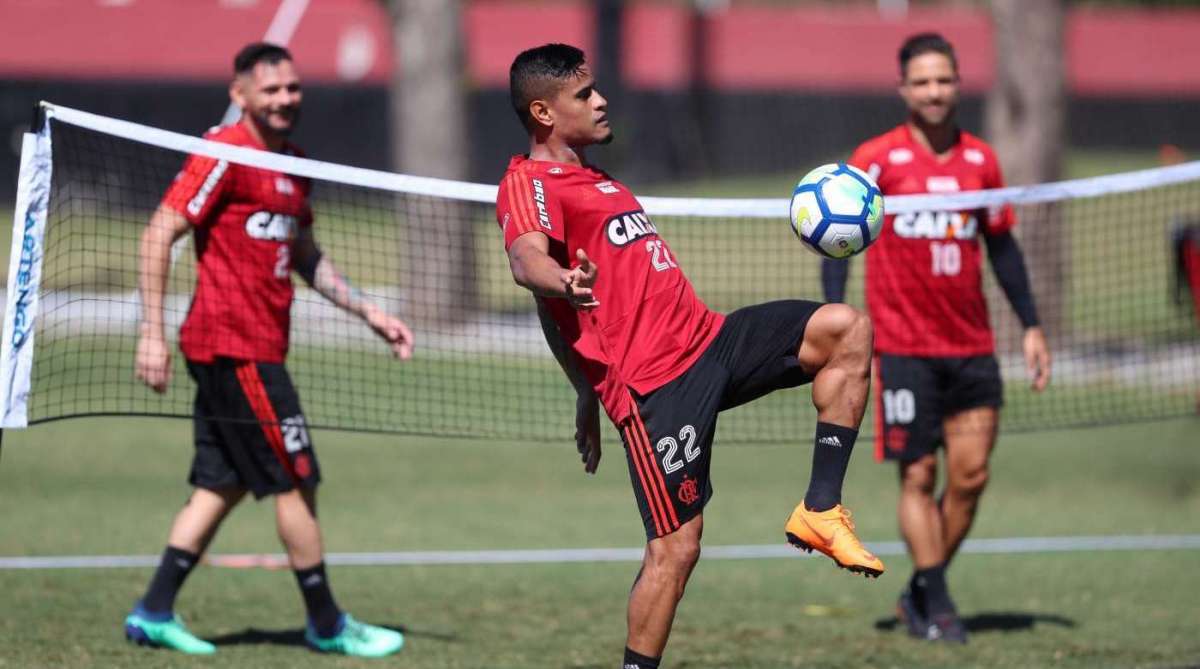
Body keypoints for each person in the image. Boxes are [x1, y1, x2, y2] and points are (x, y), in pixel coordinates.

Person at [497, 43, 883, 669]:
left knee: (845, 331)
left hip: (709, 341)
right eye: (583, 94)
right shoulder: (528, 182)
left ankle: (820, 509)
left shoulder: (599, 178)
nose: (599, 101)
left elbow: (555, 320)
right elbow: (526, 260)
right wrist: (562, 282)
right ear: (543, 112)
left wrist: (579, 389)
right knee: (675, 550)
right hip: (655, 389)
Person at [123, 42, 412, 658]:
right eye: (271, 90)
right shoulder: (223, 151)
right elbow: (158, 234)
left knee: (219, 485)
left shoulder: (296, 164)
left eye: (292, 88)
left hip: (256, 347)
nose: (285, 99)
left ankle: (152, 612)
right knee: (296, 479)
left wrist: (369, 312)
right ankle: (327, 623)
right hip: (235, 348)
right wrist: (150, 331)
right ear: (241, 95)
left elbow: (304, 254)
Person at [822, 33, 1052, 643]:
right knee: (918, 476)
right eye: (921, 81)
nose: (933, 91)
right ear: (903, 89)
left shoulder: (982, 161)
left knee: (971, 477)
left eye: (943, 80)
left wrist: (1031, 326)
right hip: (902, 350)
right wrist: (833, 322)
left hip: (972, 347)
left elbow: (1001, 245)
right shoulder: (875, 160)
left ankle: (919, 590)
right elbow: (837, 244)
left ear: (957, 83)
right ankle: (941, 604)